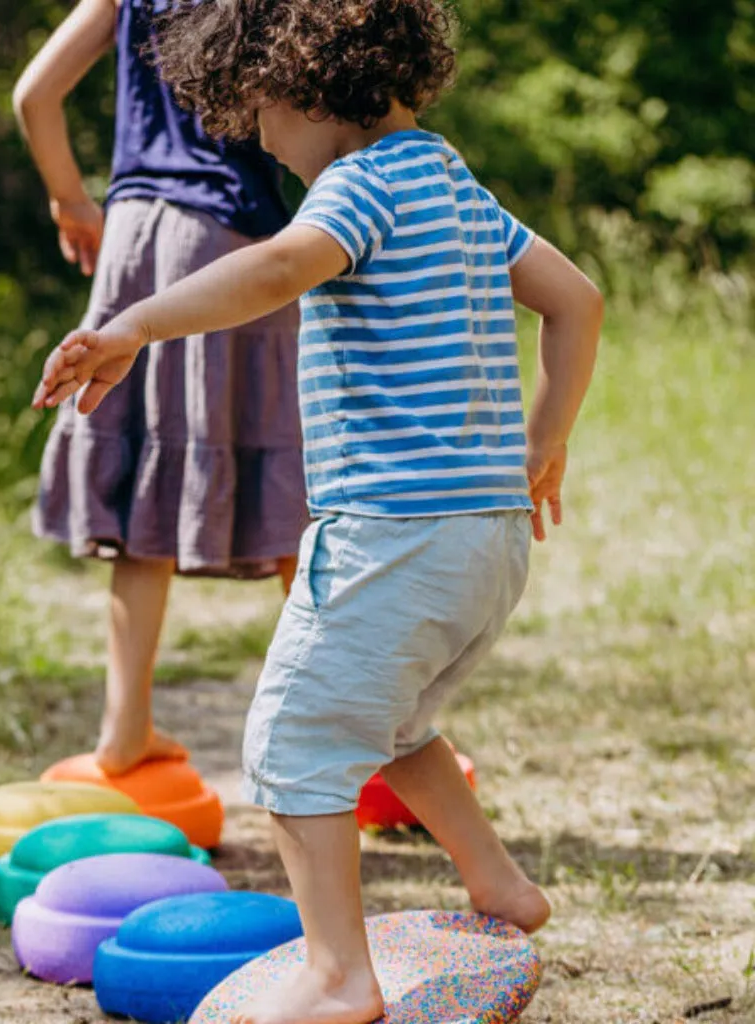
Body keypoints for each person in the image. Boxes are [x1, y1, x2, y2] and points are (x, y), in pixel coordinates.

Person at [33, 1, 603, 1021]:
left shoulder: (357, 187)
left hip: (391, 532)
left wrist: (132, 325)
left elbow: (280, 267)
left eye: (258, 121)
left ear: (300, 84)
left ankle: (338, 977)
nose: (263, 148)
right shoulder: (452, 179)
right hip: (485, 541)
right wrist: (543, 439)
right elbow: (577, 299)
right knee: (392, 721)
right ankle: (497, 883)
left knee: (294, 741)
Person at [13, 0, 308, 776]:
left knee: (144, 476)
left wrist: (71, 198)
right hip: (231, 238)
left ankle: (124, 733)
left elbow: (33, 96)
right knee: (291, 489)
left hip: (133, 229)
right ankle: (367, 726)